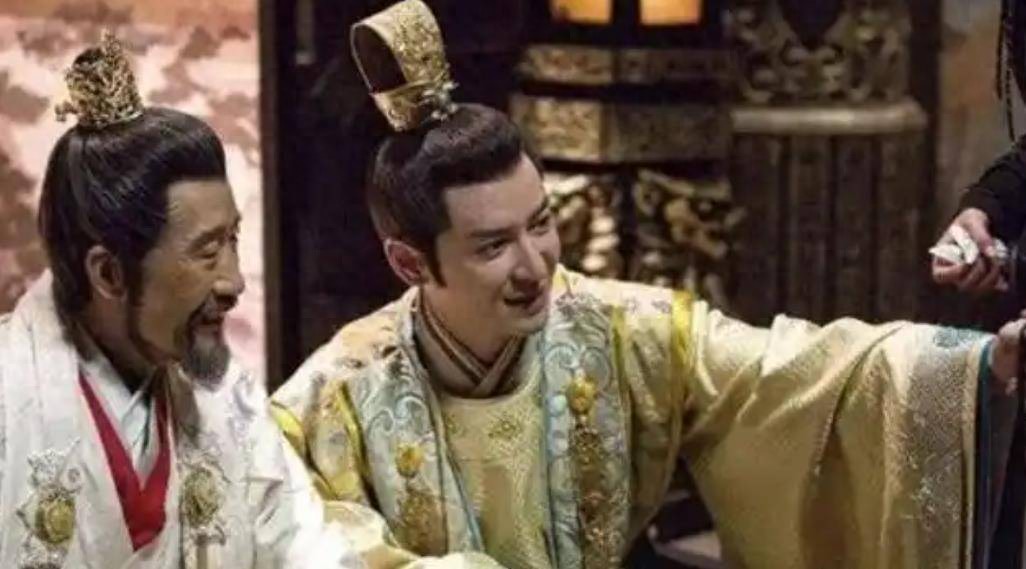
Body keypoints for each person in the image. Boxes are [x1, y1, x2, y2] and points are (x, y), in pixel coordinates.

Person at [273, 2, 1026, 567]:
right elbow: (294, 532)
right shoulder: (338, 397)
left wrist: (975, 365)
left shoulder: (620, 331)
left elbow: (789, 374)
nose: (536, 265)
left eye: (542, 223)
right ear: (410, 263)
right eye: (494, 245)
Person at [0, 32, 363, 569]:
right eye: (207, 252)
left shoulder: (227, 399)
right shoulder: (11, 403)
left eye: (233, 240)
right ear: (109, 273)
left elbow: (302, 546)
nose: (234, 283)